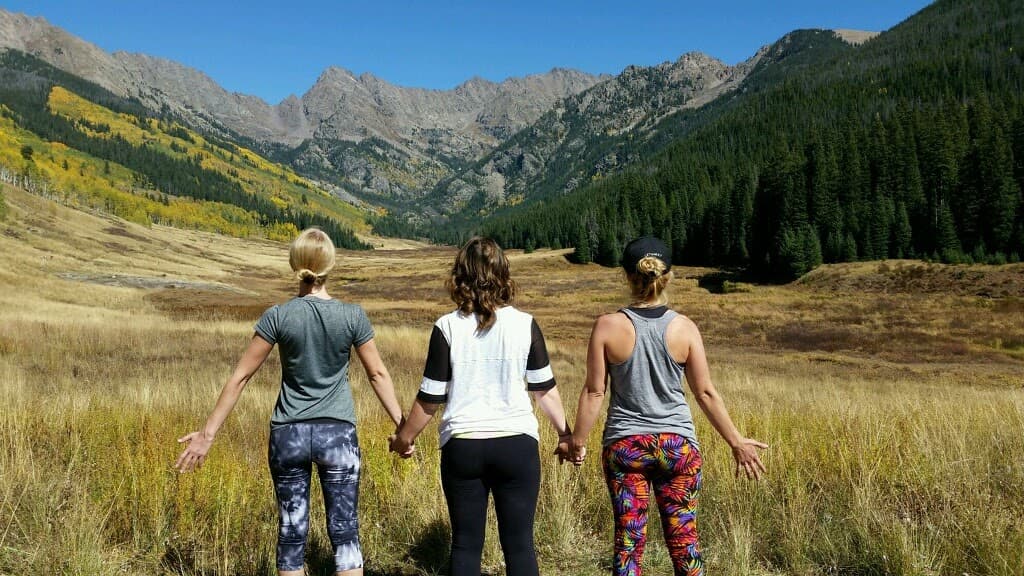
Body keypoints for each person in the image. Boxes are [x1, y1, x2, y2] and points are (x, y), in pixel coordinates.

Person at [174, 228, 404, 576]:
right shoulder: (352, 316)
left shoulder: (278, 316)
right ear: (331, 265)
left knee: (292, 535)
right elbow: (378, 375)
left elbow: (240, 377)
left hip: (288, 435)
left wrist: (207, 434)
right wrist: (404, 428)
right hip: (337, 435)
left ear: (294, 264)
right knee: (345, 535)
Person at [570, 236, 767, 576]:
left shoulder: (607, 326)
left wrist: (576, 442)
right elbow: (705, 392)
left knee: (629, 545)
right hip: (678, 447)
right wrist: (737, 442)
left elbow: (593, 392)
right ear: (669, 276)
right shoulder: (685, 328)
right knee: (684, 542)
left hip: (625, 447)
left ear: (627, 276)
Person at [389, 236, 571, 576]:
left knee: (465, 545)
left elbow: (430, 398)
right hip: (517, 444)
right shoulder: (525, 324)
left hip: (463, 446)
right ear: (503, 274)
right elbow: (544, 390)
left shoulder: (446, 327)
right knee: (519, 545)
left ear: (460, 276)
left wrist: (405, 438)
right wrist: (566, 435)